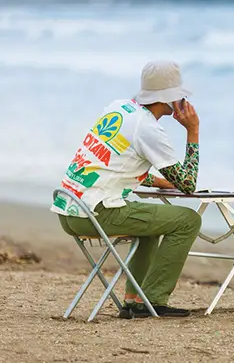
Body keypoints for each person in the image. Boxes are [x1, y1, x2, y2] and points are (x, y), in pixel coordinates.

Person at [50, 60, 203, 318]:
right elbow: (188, 183)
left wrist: (161, 182)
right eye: (179, 94)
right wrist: (193, 130)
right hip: (96, 214)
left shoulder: (118, 108)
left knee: (152, 224)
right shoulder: (148, 129)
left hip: (69, 209)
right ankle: (153, 299)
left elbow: (114, 167)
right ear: (168, 98)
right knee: (188, 220)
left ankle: (135, 299)